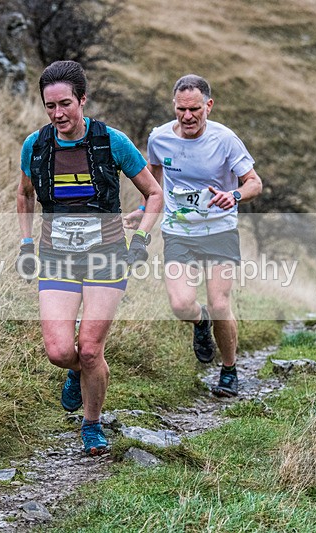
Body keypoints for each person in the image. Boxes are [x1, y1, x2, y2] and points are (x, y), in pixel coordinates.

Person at [16, 60, 163, 455]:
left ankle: (92, 424)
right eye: (50, 106)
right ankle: (77, 373)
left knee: (92, 348)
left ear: (83, 99)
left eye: (65, 104)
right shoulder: (36, 145)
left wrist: (142, 240)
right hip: (57, 257)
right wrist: (26, 243)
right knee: (61, 351)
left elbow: (154, 194)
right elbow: (25, 194)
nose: (58, 114)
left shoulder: (111, 141)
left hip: (107, 256)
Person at [124, 74, 262, 398]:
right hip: (179, 231)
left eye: (195, 109)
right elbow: (153, 184)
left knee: (219, 303)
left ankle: (229, 371)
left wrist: (235, 196)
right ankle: (200, 324)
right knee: (181, 304)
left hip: (219, 229)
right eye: (181, 109)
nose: (187, 116)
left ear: (209, 107)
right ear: (174, 106)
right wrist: (144, 210)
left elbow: (254, 182)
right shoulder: (159, 139)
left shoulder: (225, 140)